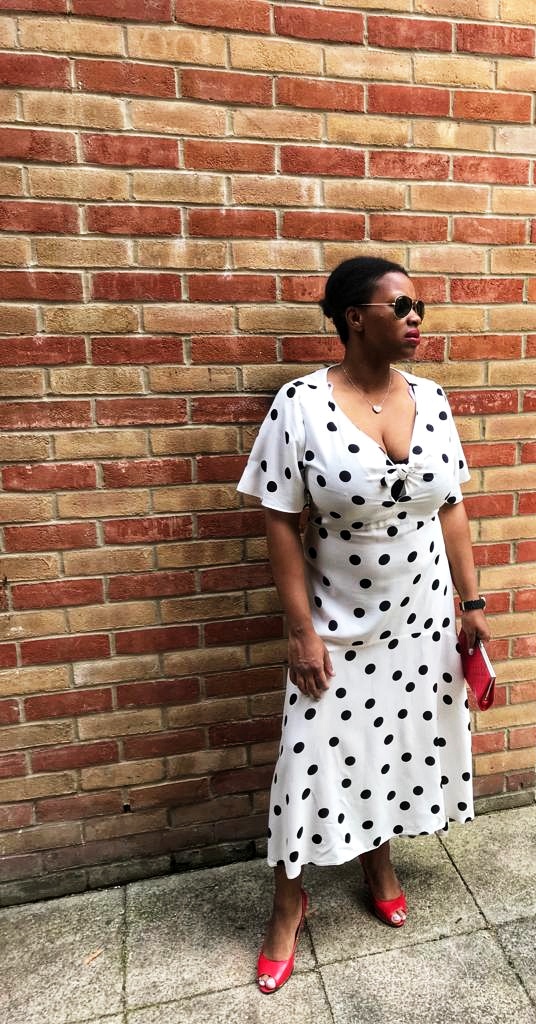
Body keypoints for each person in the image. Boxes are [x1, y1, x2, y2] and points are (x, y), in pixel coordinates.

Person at [237, 255, 490, 994]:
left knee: (392, 745)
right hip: (337, 622)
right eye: (400, 306)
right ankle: (288, 904)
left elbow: (452, 507)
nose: (416, 318)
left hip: (422, 617)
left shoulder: (432, 398)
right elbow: (279, 521)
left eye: (420, 307)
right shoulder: (300, 404)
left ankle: (378, 861)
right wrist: (299, 630)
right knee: (308, 757)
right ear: (355, 317)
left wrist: (471, 604)